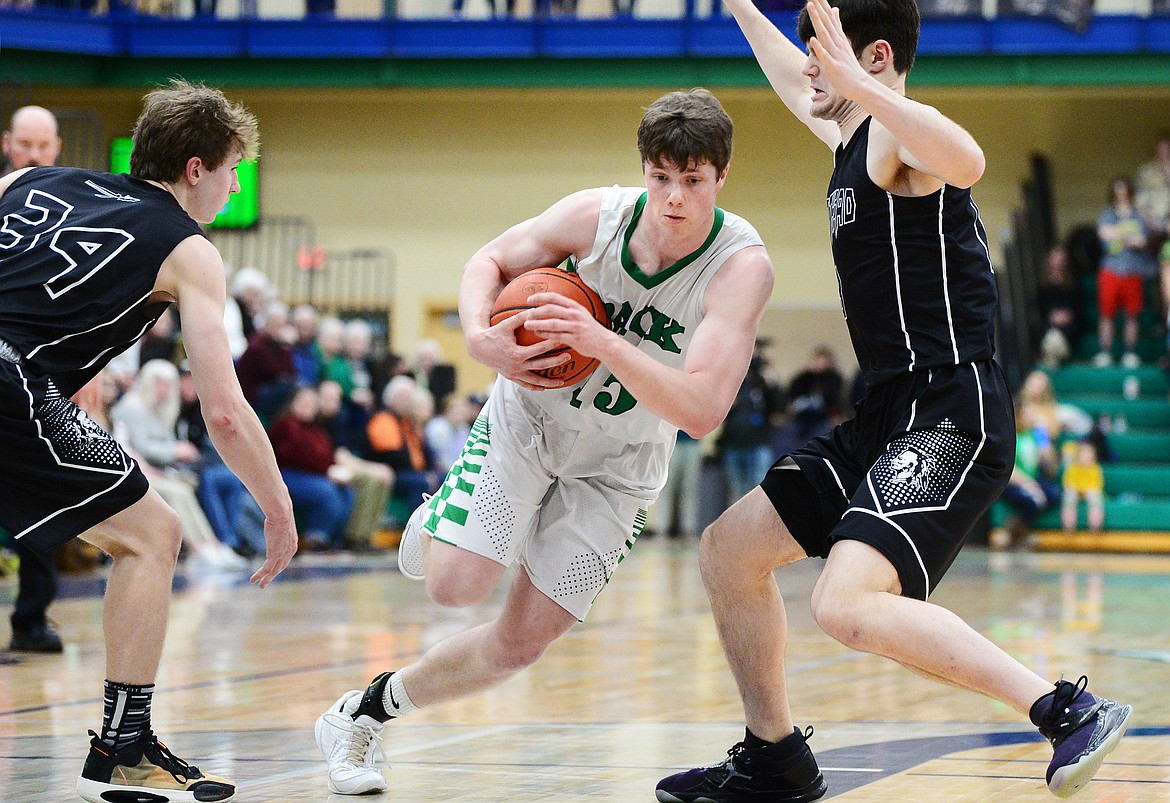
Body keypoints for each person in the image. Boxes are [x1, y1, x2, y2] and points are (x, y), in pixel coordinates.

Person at [655, 2, 1131, 801]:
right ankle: (774, 757)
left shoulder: (899, 138)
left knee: (844, 603)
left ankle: (1066, 709)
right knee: (728, 550)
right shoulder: (852, 137)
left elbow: (971, 158)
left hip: (953, 410)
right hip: (885, 413)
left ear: (873, 56)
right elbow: (788, 76)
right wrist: (740, 5)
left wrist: (860, 88)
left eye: (826, 57)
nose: (811, 72)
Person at [314, 87, 774, 796]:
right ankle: (441, 516)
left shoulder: (740, 267)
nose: (674, 197)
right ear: (643, 169)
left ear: (722, 177)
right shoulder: (596, 216)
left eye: (693, 180)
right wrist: (478, 337)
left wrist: (603, 342)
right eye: (661, 178)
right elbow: (489, 261)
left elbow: (704, 410)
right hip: (529, 421)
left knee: (518, 646)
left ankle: (363, 713)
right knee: (453, 586)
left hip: (620, 468)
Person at [0, 80, 297, 802]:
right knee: (153, 534)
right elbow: (224, 412)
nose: (232, 189)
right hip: (10, 383)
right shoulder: (189, 250)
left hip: (23, 377)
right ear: (195, 168)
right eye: (231, 171)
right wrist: (278, 508)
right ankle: (124, 743)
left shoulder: (26, 178)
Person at [1, 105, 66, 654]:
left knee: (41, 502)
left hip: (44, 375)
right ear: (8, 143)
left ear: (58, 148)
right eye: (25, 144)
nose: (34, 155)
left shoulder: (74, 207)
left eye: (43, 146)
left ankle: (32, 618)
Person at [1095, 176, 1157, 368]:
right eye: (1117, 191)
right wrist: (1129, 235)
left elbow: (1143, 241)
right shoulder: (1107, 214)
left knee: (1132, 315)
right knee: (1106, 314)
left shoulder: (1139, 215)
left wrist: (1118, 234)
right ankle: (1105, 353)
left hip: (1133, 270)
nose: (1121, 195)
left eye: (1124, 191)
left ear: (1130, 192)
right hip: (1110, 270)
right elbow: (1103, 234)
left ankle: (1129, 353)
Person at [1061, 439, 1105, 535]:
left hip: (1089, 492)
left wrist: (1085, 490)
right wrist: (1077, 490)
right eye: (1082, 452)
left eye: (1088, 452)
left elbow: (1097, 485)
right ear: (1077, 454)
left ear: (1093, 456)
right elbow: (1068, 482)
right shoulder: (1072, 467)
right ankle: (1068, 526)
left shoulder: (1096, 468)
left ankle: (1095, 525)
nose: (1085, 455)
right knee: (1069, 495)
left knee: (1095, 496)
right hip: (1075, 492)